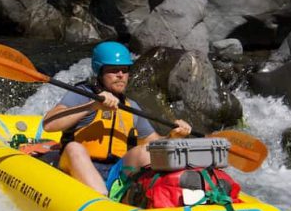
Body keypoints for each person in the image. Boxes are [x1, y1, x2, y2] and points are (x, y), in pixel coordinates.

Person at [42, 41, 192, 196]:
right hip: (76, 166)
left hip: (115, 170)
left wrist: (172, 137)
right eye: (113, 70)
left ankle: (170, 193)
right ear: (99, 72)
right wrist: (92, 106)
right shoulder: (83, 94)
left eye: (125, 70)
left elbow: (152, 143)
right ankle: (102, 200)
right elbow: (49, 124)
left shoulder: (130, 106)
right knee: (74, 148)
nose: (120, 75)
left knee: (143, 151)